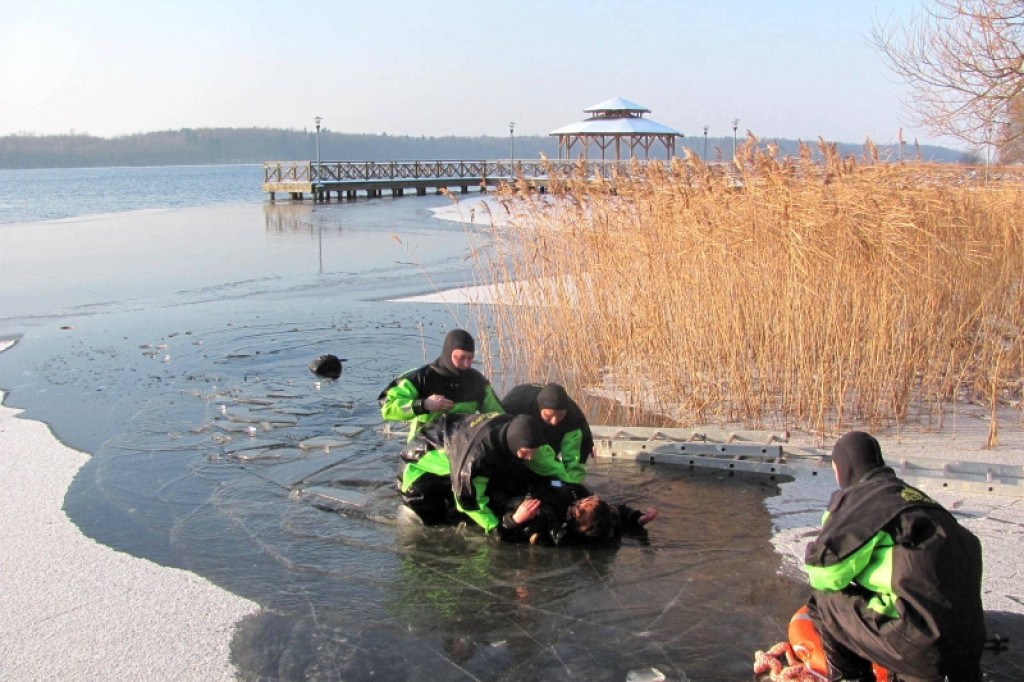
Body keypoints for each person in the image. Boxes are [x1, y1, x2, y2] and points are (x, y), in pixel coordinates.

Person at [803, 431, 985, 682]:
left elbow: (825, 573)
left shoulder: (863, 499)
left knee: (824, 600)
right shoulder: (917, 499)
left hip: (921, 646)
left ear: (843, 468)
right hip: (967, 650)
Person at [397, 412, 547, 533]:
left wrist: (569, 488)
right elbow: (468, 502)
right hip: (419, 470)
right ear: (515, 443)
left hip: (455, 453)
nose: (530, 458)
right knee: (428, 530)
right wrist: (506, 525)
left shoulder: (516, 430)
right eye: (526, 453)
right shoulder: (475, 460)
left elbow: (549, 465)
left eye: (534, 452)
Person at [379, 329, 504, 442]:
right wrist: (424, 405)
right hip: (423, 448)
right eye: (461, 358)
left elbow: (498, 415)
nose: (466, 364)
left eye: (470, 358)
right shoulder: (420, 379)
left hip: (460, 446)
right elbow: (387, 407)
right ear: (448, 354)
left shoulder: (478, 382)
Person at [498, 478, 657, 546]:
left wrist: (516, 519)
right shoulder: (580, 493)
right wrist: (636, 518)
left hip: (510, 491)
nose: (590, 497)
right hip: (545, 478)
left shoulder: (547, 519)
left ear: (578, 513)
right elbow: (613, 512)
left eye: (588, 501)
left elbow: (501, 533)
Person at [501, 382, 594, 484]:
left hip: (554, 436)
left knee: (557, 481)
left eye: (560, 416)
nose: (554, 421)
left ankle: (555, 484)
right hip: (518, 435)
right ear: (540, 409)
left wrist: (573, 487)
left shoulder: (574, 417)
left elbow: (575, 460)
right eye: (548, 415)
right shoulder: (515, 405)